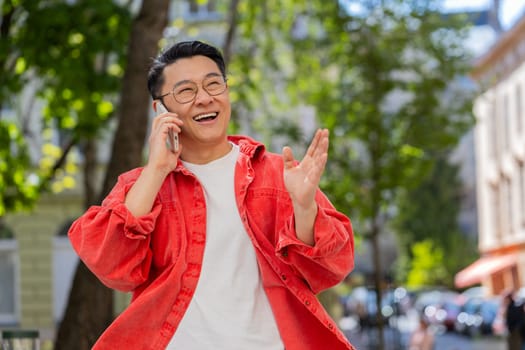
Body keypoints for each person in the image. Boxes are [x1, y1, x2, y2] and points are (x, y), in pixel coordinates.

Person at [68, 40, 355, 350]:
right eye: (186, 91)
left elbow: (332, 268)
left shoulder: (277, 173)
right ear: (161, 109)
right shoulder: (142, 185)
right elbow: (113, 267)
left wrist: (304, 208)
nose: (204, 99)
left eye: (213, 85)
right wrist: (157, 169)